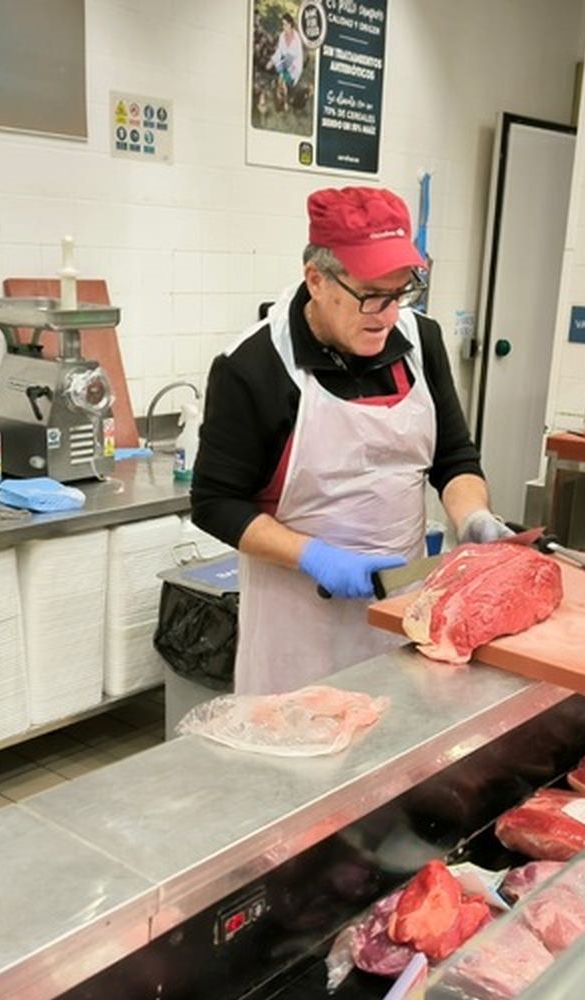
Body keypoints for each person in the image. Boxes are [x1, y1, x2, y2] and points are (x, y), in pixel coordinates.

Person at [191, 187, 512, 695]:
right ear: (316, 280)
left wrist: (473, 516)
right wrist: (316, 557)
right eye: (370, 295)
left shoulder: (420, 343)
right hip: (297, 624)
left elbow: (453, 459)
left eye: (400, 292)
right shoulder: (253, 366)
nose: (386, 314)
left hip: (403, 608)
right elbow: (214, 503)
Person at [267, 14, 305, 115]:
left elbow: (291, 58)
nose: (283, 26)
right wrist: (272, 60)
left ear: (290, 25)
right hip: (284, 62)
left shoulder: (296, 39)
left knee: (283, 79)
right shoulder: (282, 36)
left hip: (294, 66)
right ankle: (282, 101)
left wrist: (282, 74)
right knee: (270, 66)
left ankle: (283, 100)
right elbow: (279, 50)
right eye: (282, 24)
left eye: (285, 24)